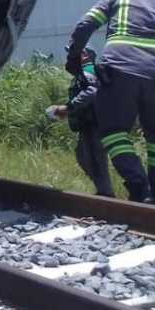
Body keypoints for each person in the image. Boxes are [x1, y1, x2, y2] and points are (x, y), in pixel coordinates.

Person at [66, 0, 155, 206]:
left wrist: (74, 57)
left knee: (114, 131)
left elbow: (85, 26)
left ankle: (139, 187)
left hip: (119, 70)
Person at [48, 47, 115, 197]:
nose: (70, 56)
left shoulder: (88, 70)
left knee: (97, 160)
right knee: (84, 157)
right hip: (88, 124)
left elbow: (92, 91)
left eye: (73, 53)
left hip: (96, 124)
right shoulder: (82, 73)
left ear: (84, 55)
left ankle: (106, 194)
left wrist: (69, 107)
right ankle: (103, 190)